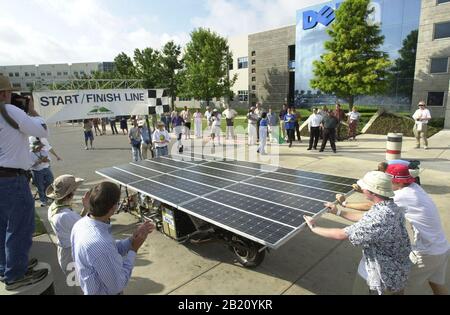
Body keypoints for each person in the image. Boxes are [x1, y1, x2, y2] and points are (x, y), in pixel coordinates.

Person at [304, 171, 411, 295]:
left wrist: (314, 228)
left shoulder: (379, 217)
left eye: (364, 187)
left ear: (371, 192)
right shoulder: (391, 207)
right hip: (399, 272)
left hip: (382, 276)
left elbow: (341, 234)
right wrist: (338, 212)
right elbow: (366, 217)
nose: (362, 188)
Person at [0, 75, 49, 290]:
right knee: (21, 225)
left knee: (3, 226)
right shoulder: (11, 111)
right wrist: (32, 111)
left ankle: (7, 266)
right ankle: (15, 274)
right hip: (12, 178)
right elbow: (41, 131)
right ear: (4, 93)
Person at [71, 182, 156, 295]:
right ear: (113, 208)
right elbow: (118, 285)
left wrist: (131, 239)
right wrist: (134, 249)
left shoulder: (80, 224)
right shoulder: (100, 243)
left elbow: (111, 249)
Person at [386, 164, 449, 295]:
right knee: (436, 284)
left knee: (397, 286)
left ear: (397, 181)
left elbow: (378, 206)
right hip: (441, 249)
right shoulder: (415, 187)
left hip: (427, 253)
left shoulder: (401, 196)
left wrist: (344, 205)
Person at [47, 175, 87, 275]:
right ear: (70, 194)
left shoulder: (53, 207)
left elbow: (75, 222)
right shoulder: (65, 215)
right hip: (72, 255)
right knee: (81, 282)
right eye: (74, 189)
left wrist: (85, 209)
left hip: (65, 251)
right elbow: (86, 227)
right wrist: (89, 208)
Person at [30, 140, 54, 207]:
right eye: (39, 147)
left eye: (41, 147)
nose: (40, 148)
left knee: (50, 183)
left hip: (46, 168)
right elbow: (29, 165)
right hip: (36, 171)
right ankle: (43, 200)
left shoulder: (44, 151)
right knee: (40, 186)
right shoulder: (30, 154)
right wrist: (38, 162)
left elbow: (49, 160)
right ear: (34, 147)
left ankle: (50, 196)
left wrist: (46, 160)